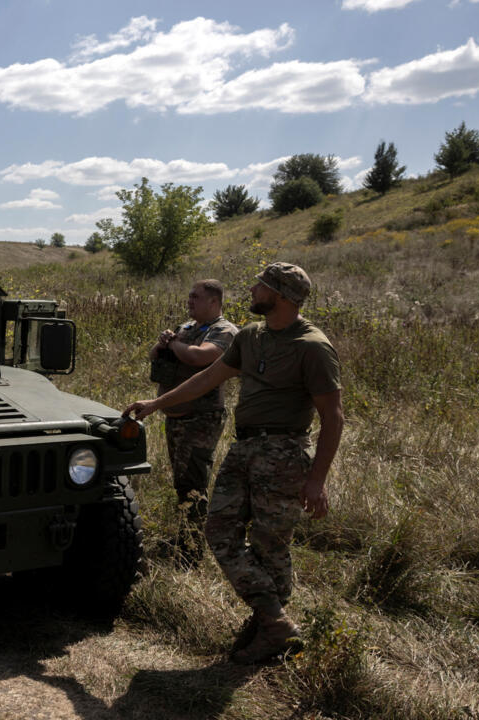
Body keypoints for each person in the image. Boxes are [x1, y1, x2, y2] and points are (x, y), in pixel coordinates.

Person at [125, 263, 344, 664]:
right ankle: (275, 621)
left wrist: (317, 480)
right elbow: (208, 378)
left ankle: (267, 630)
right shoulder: (250, 336)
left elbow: (333, 417)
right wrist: (156, 404)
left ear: (280, 295)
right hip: (244, 449)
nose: (252, 289)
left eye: (260, 286)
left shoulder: (312, 346)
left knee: (270, 545)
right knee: (218, 529)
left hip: (285, 453)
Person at [148, 280, 238, 563]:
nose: (189, 301)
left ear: (214, 302)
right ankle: (184, 538)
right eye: (188, 296)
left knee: (194, 483)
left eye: (196, 297)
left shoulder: (224, 330)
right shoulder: (187, 327)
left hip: (201, 418)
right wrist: (163, 343)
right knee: (182, 481)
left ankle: (192, 549)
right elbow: (154, 357)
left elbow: (201, 357)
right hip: (177, 418)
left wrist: (174, 343)